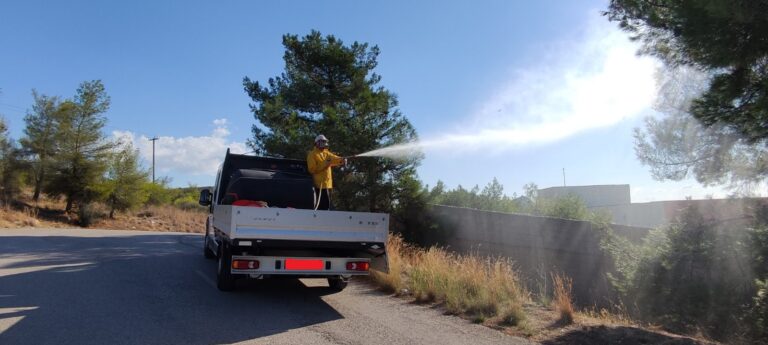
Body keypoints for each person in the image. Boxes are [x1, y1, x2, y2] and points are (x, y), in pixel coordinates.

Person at [306, 134, 346, 210]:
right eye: (322, 142)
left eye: (325, 142)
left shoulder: (326, 153)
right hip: (319, 185)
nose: (324, 143)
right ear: (317, 143)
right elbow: (311, 169)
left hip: (327, 184)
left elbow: (335, 158)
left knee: (326, 205)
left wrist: (342, 160)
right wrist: (325, 164)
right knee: (323, 206)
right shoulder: (312, 154)